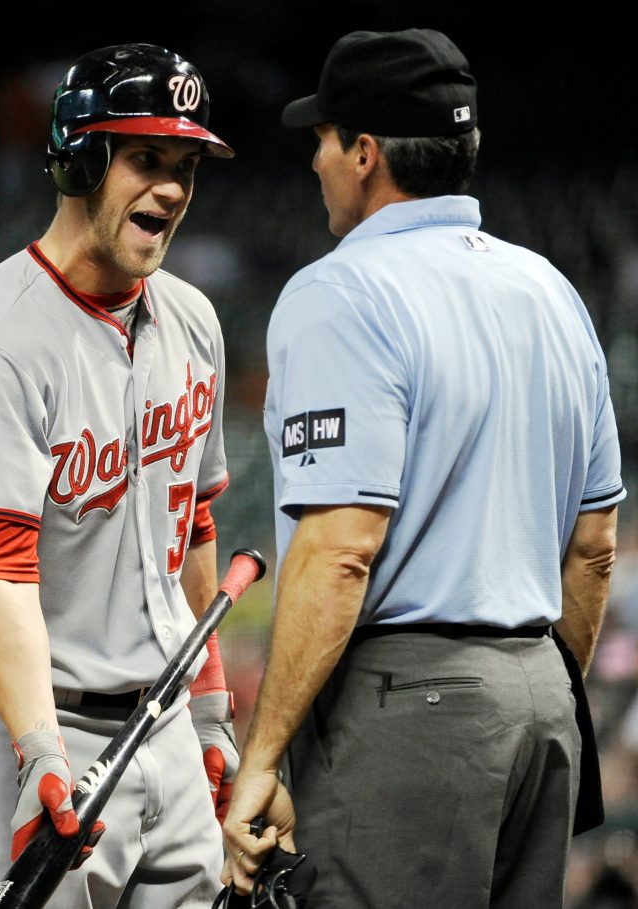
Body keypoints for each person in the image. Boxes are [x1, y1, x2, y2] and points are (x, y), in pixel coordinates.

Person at [221, 29, 626, 909]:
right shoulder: (551, 291)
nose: (316, 161)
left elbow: (339, 551)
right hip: (544, 702)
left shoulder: (342, 291)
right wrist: (533, 687)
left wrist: (260, 760)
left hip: (411, 712)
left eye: (324, 140)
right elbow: (594, 546)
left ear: (365, 154)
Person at [0, 43, 238, 909]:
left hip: (160, 728)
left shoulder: (193, 320)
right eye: (144, 159)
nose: (171, 189)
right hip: (19, 730)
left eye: (185, 164)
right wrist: (41, 752)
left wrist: (206, 710)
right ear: (80, 159)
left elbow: (191, 526)